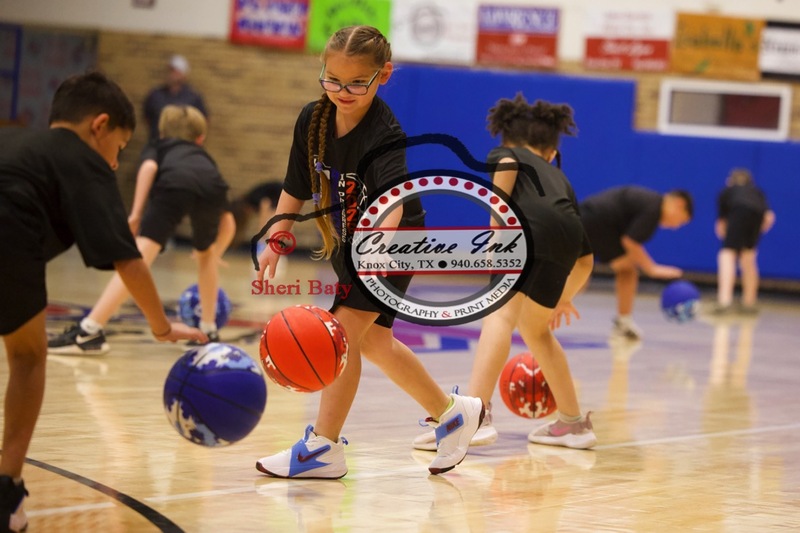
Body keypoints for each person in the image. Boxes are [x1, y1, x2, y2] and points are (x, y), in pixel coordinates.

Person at [253, 25, 485, 479]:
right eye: (332, 79)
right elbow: (295, 186)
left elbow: (393, 204)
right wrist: (277, 237)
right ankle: (454, 414)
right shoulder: (312, 120)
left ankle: (323, 448)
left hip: (392, 244)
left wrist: (374, 256)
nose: (342, 91)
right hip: (349, 242)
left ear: (384, 75)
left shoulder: (384, 133)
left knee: (339, 334)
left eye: (356, 82)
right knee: (374, 341)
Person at [0, 72, 206, 533]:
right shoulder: (83, 160)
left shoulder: (17, 145)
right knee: (29, 358)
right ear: (100, 125)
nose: (115, 163)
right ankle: (6, 492)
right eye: (119, 147)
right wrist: (162, 327)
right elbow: (128, 261)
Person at [413, 94, 597, 452]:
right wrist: (564, 298)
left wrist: (497, 238)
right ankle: (574, 425)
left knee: (498, 316)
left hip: (527, 231)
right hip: (567, 237)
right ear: (550, 150)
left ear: (509, 138)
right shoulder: (560, 180)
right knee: (536, 330)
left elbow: (505, 176)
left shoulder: (507, 153)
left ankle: (475, 416)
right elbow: (586, 260)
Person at [48, 104, 231, 355]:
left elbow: (148, 168)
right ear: (200, 139)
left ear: (163, 133)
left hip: (175, 184)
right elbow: (228, 218)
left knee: (139, 257)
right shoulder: (205, 160)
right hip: (213, 188)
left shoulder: (159, 145)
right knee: (206, 257)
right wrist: (216, 249)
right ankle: (209, 331)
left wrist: (135, 213)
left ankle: (89, 331)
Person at [579, 185, 693, 340]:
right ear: (679, 204)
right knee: (580, 277)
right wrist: (652, 268)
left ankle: (623, 323)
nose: (675, 226)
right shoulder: (654, 207)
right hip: (596, 222)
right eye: (681, 220)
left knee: (624, 270)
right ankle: (543, 314)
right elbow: (630, 242)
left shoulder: (650, 203)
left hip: (593, 219)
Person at [713, 168, 775, 314]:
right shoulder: (757, 191)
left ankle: (724, 302)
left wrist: (728, 241)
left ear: (730, 180)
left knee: (726, 255)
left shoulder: (727, 191)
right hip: (758, 216)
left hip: (739, 212)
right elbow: (769, 216)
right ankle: (749, 302)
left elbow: (721, 225)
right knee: (748, 256)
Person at [143, 54, 208, 144]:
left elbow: (203, 121)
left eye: (175, 71)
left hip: (185, 145)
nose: (171, 74)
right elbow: (147, 118)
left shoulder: (193, 97)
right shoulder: (155, 94)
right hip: (157, 144)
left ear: (183, 74)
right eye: (170, 70)